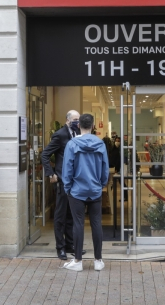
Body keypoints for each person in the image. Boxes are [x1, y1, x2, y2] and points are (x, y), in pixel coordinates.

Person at [61, 113, 109, 271]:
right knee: (96, 224)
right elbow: (104, 168)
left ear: (79, 125)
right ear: (93, 125)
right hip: (95, 190)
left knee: (78, 224)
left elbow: (67, 169)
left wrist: (68, 187)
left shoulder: (72, 144)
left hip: (77, 191)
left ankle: (78, 261)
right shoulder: (100, 144)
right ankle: (98, 261)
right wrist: (101, 184)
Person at [41, 110, 85, 260]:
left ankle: (70, 245)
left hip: (75, 181)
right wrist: (50, 173)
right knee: (60, 216)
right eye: (75, 119)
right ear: (67, 120)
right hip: (62, 180)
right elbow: (45, 154)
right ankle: (60, 248)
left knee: (71, 215)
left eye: (79, 119)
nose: (77, 122)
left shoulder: (79, 133)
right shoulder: (60, 135)